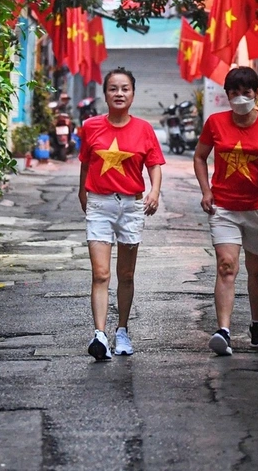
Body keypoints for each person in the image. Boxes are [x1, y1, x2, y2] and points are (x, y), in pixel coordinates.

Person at [193, 67, 258, 356]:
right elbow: (200, 157)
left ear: (256, 94)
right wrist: (206, 190)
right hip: (224, 207)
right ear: (227, 95)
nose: (241, 98)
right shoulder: (215, 123)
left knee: (257, 271)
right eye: (235, 93)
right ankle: (223, 331)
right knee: (226, 266)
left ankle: (256, 321)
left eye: (247, 93)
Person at [78, 68, 164, 360]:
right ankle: (100, 335)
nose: (119, 94)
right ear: (105, 94)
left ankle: (122, 330)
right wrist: (82, 192)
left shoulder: (144, 129)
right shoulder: (90, 126)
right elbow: (86, 162)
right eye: (113, 88)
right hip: (100, 205)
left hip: (131, 206)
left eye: (125, 88)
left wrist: (154, 192)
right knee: (100, 273)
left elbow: (154, 164)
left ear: (133, 94)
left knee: (125, 274)